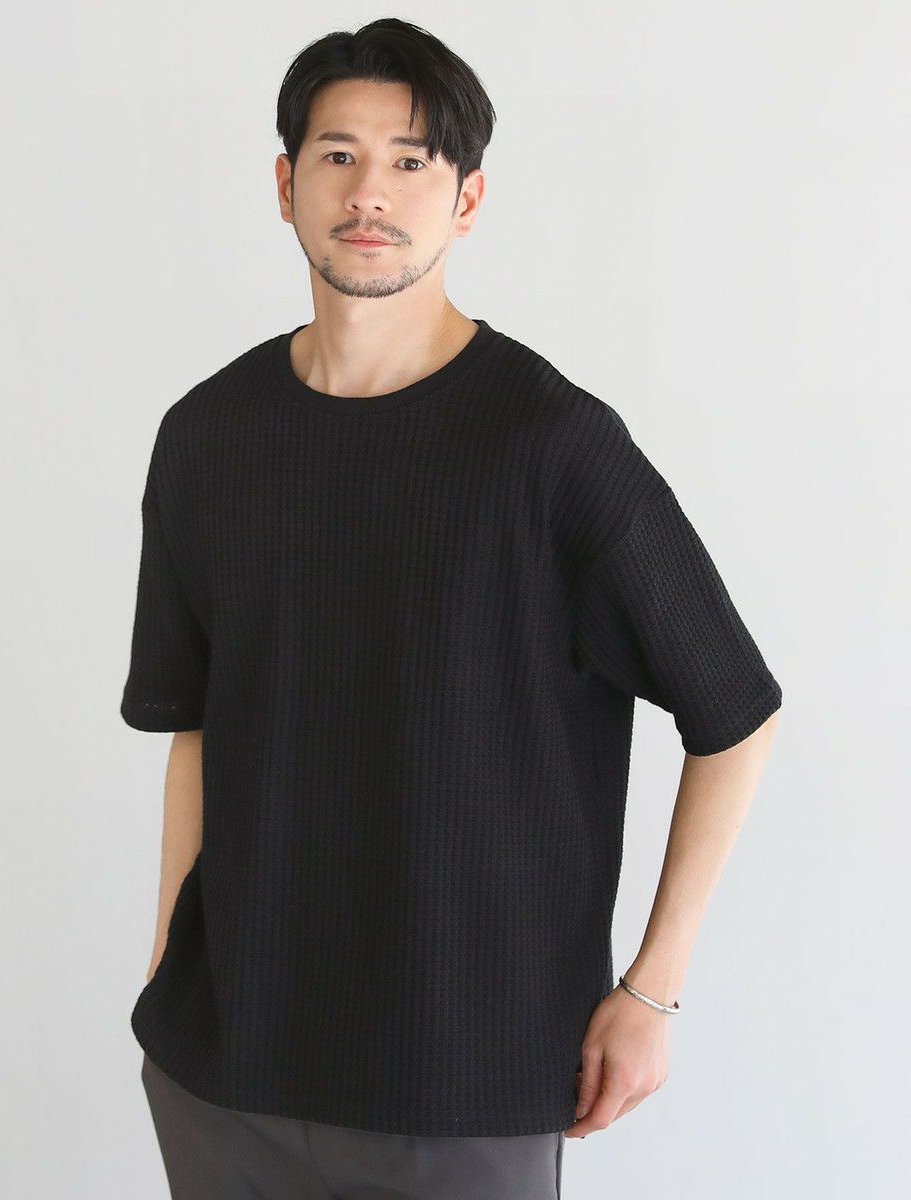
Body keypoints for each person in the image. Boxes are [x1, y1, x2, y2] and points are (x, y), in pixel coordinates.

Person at [120, 17, 783, 1200]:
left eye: (411, 161)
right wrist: (172, 965)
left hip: (467, 1075)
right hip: (223, 1077)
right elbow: (197, 729)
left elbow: (734, 714)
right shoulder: (206, 436)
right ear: (284, 184)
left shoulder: (551, 446)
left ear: (467, 198)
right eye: (337, 154)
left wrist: (651, 989)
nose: (369, 191)